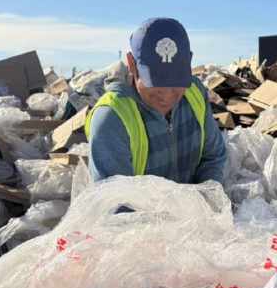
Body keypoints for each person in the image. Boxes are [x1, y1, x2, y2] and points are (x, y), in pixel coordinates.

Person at [85, 17, 227, 184]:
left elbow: (213, 157)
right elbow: (116, 197)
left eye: (175, 82)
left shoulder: (195, 92)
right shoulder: (111, 119)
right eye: (156, 83)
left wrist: (207, 195)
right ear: (132, 64)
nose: (166, 95)